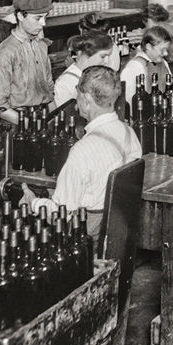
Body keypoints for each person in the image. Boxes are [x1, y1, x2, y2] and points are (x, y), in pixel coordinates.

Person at [22, 66, 142, 241]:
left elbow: (60, 215)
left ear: (86, 99)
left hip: (86, 237)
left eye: (77, 92)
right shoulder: (129, 133)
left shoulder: (82, 150)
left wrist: (33, 202)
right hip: (119, 234)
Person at [0, 0, 53, 126]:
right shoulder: (5, 53)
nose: (43, 23)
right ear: (20, 16)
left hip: (41, 118)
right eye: (38, 18)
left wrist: (52, 121)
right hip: (15, 124)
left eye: (45, 17)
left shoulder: (41, 46)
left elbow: (48, 91)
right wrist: (29, 126)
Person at [54, 32, 114, 107]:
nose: (106, 61)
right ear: (86, 54)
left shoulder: (96, 74)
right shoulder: (65, 83)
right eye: (103, 56)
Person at [120, 25, 172, 112]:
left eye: (167, 50)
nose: (166, 53)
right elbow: (128, 102)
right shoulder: (134, 67)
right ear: (148, 46)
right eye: (162, 50)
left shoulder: (163, 62)